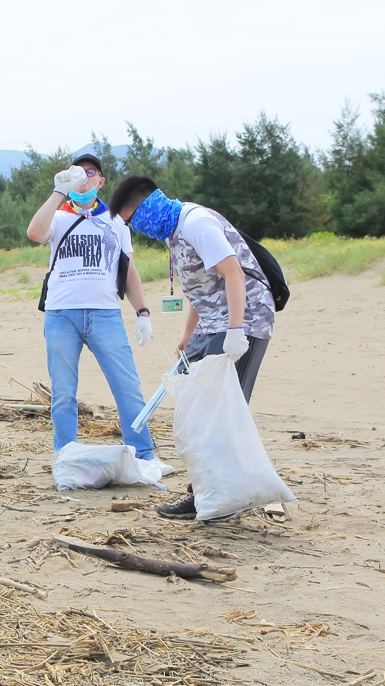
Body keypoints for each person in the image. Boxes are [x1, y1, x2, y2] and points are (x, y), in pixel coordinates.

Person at [109, 175, 277, 519]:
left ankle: (217, 497)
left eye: (131, 219)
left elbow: (232, 274)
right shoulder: (175, 233)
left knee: (222, 410)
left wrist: (235, 330)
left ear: (148, 205)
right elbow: (202, 291)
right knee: (198, 406)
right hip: (213, 324)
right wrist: (189, 335)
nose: (135, 227)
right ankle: (210, 491)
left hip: (245, 319)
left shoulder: (197, 224)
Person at [27, 154, 155, 459]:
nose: (84, 178)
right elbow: (34, 232)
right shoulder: (59, 218)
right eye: (77, 173)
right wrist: (59, 191)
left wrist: (143, 311)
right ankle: (65, 453)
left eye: (90, 172)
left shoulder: (115, 222)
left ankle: (144, 453)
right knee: (63, 392)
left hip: (105, 314)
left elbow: (128, 270)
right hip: (61, 315)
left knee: (128, 387)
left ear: (101, 181)